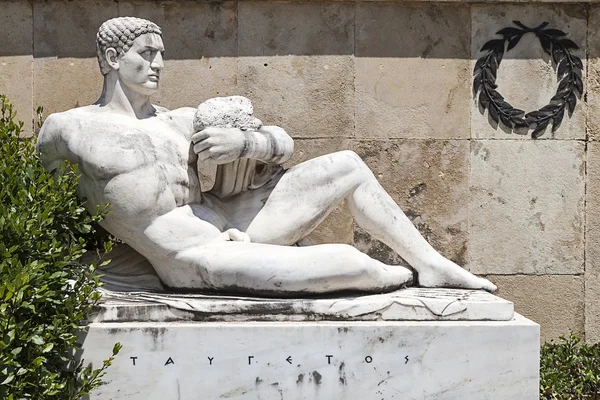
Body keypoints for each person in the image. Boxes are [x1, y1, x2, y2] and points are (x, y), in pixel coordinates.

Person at [36, 17, 496, 295]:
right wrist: (91, 266)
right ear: (114, 57)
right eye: (146, 53)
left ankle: (431, 265)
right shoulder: (70, 128)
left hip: (234, 221)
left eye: (161, 54)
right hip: (192, 256)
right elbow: (38, 209)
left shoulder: (177, 119)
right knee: (348, 263)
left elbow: (283, 141)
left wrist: (246, 144)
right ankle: (393, 281)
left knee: (348, 165)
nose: (158, 63)